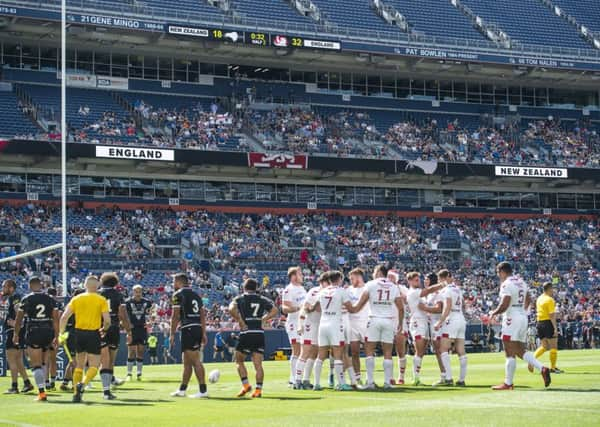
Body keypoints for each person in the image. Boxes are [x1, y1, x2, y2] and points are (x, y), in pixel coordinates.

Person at [489, 262, 551, 390]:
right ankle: (542, 368)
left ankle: (508, 383)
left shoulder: (506, 284)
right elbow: (528, 298)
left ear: (502, 271)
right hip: (523, 317)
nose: (498, 275)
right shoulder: (521, 281)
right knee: (520, 350)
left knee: (508, 350)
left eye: (497, 272)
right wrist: (523, 311)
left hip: (512, 318)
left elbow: (505, 304)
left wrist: (493, 313)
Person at [349, 265, 404, 390]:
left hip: (373, 319)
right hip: (388, 320)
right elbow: (401, 307)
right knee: (388, 352)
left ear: (379, 272)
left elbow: (359, 306)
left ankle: (370, 382)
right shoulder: (393, 286)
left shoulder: (371, 284)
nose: (373, 273)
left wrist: (349, 308)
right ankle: (387, 382)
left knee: (369, 351)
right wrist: (400, 323)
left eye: (374, 271)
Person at [59, 275, 111, 402]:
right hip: (93, 333)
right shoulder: (101, 299)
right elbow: (108, 321)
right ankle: (83, 383)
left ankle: (76, 394)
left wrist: (61, 333)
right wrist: (104, 329)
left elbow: (64, 317)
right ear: (97, 286)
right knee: (94, 365)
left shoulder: (77, 299)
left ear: (85, 285)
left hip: (78, 333)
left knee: (79, 365)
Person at [228, 278, 278, 398]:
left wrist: (240, 321)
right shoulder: (262, 299)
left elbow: (231, 309)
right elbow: (275, 310)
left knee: (239, 360)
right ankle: (258, 390)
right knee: (258, 364)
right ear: (256, 288)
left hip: (246, 332)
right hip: (259, 333)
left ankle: (246, 385)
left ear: (244, 287)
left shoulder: (239, 298)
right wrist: (263, 319)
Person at [13, 277, 59, 401]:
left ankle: (42, 393)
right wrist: (57, 336)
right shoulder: (50, 299)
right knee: (44, 361)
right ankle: (46, 383)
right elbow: (56, 319)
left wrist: (16, 334)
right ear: (41, 285)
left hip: (33, 330)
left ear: (30, 286)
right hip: (47, 330)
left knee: (36, 364)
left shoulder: (27, 299)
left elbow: (18, 320)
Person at [306, 271, 353, 391]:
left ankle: (316, 383)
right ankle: (341, 383)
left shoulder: (322, 291)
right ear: (339, 279)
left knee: (320, 355)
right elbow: (350, 308)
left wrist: (307, 310)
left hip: (323, 323)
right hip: (335, 324)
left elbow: (313, 307)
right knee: (338, 355)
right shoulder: (341, 291)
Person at [169, 273, 208, 399]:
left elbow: (175, 316)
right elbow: (202, 315)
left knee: (195, 360)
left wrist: (172, 334)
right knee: (186, 362)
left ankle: (203, 390)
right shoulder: (196, 295)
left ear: (179, 281)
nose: (172, 284)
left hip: (188, 329)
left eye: (173, 281)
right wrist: (204, 332)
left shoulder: (177, 295)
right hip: (196, 328)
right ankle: (182, 390)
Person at [405, 272, 443, 385]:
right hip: (417, 322)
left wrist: (426, 309)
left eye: (419, 279)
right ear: (410, 281)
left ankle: (416, 377)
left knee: (422, 351)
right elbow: (428, 291)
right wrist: (442, 284)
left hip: (424, 322)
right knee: (419, 350)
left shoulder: (418, 293)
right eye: (416, 280)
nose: (419, 282)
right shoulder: (413, 292)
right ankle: (415, 378)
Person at [98, 272, 131, 397]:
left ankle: (107, 386)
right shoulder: (118, 295)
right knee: (110, 360)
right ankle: (107, 386)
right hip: (114, 328)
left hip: (100, 328)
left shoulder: (97, 294)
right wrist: (129, 331)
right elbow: (122, 315)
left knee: (103, 360)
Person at [433, 269, 468, 387]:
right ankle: (462, 379)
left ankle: (448, 378)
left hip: (451, 320)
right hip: (461, 319)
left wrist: (439, 322)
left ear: (442, 279)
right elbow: (463, 305)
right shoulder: (458, 289)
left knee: (443, 349)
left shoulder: (446, 290)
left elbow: (447, 307)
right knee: (461, 350)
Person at [294, 272, 328, 390]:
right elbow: (305, 307)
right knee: (306, 351)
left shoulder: (330, 292)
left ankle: (306, 380)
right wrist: (300, 324)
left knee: (314, 352)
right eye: (327, 282)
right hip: (310, 324)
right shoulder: (314, 291)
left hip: (321, 325)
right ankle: (297, 380)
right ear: (323, 282)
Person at [2, 279, 34, 394]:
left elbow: (19, 311)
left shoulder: (14, 297)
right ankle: (27, 383)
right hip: (17, 331)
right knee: (18, 360)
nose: (3, 289)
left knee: (11, 359)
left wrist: (15, 322)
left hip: (13, 331)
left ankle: (14, 386)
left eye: (4, 286)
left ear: (11, 288)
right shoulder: (14, 297)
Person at [282, 266, 306, 386]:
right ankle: (293, 378)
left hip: (303, 322)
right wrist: (298, 308)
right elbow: (284, 308)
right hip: (293, 323)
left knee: (304, 350)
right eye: (299, 273)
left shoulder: (302, 288)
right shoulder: (288, 290)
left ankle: (299, 377)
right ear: (293, 276)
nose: (302, 275)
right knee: (296, 350)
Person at [125, 284, 153, 381]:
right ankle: (129, 374)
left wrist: (150, 321)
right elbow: (124, 316)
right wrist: (127, 326)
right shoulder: (128, 302)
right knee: (131, 351)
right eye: (136, 291)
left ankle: (139, 373)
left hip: (142, 328)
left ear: (142, 292)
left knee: (140, 351)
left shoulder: (147, 302)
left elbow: (151, 313)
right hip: (132, 329)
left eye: (139, 291)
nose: (138, 293)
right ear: (133, 292)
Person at [60, 287, 85, 391]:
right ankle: (76, 384)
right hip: (75, 334)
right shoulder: (78, 306)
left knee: (72, 360)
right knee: (76, 361)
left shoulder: (70, 305)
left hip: (70, 334)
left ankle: (65, 382)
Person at [534, 282, 562, 373]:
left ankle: (531, 360)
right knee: (554, 346)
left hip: (539, 323)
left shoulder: (539, 298)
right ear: (549, 289)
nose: (553, 291)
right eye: (552, 289)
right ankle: (553, 368)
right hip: (547, 322)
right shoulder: (550, 300)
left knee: (544, 346)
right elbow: (551, 315)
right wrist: (554, 328)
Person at [424, 273, 446, 384]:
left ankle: (445, 375)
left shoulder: (436, 293)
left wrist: (425, 308)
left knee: (440, 351)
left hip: (438, 325)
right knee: (438, 351)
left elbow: (439, 309)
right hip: (433, 324)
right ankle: (444, 375)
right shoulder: (429, 294)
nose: (425, 281)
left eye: (426, 279)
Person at [347, 268, 368, 386]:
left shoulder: (367, 289)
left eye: (352, 278)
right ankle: (357, 377)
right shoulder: (349, 290)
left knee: (369, 351)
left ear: (359, 277)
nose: (351, 281)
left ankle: (370, 378)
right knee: (354, 352)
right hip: (352, 324)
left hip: (365, 323)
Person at [45, 287, 61, 390]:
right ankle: (53, 382)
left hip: (45, 331)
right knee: (53, 359)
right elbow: (58, 318)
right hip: (54, 332)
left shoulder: (44, 301)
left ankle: (46, 382)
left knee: (45, 359)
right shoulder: (57, 304)